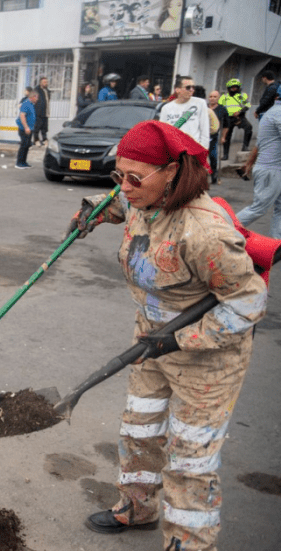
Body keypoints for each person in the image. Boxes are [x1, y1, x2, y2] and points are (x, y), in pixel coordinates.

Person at [68, 120, 269, 551]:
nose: (125, 187)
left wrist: (178, 341)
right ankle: (137, 507)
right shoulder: (142, 198)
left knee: (189, 458)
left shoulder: (205, 232)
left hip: (207, 358)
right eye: (118, 175)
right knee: (139, 429)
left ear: (172, 172)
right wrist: (92, 211)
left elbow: (249, 303)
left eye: (135, 178)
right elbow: (121, 204)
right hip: (151, 341)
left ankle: (187, 542)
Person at [235, 96, 281, 239]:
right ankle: (222, 229)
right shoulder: (278, 113)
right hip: (271, 169)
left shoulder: (271, 112)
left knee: (280, 209)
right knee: (259, 208)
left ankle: (276, 243)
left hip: (272, 168)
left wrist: (249, 163)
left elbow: (258, 145)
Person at [158, 76, 210, 149]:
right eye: (188, 87)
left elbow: (205, 130)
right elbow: (162, 132)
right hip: (174, 150)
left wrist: (203, 149)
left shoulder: (200, 103)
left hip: (194, 149)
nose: (191, 90)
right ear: (177, 89)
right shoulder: (166, 108)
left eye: (193, 87)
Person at [219, 78, 252, 160]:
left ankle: (245, 146)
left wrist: (240, 112)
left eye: (236, 87)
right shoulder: (224, 97)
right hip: (228, 118)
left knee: (249, 127)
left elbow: (247, 106)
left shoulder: (241, 96)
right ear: (229, 88)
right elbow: (220, 107)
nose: (234, 89)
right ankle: (225, 155)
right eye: (232, 87)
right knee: (227, 136)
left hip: (239, 117)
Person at [205, 89, 223, 184]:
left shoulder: (221, 109)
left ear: (218, 98)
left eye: (214, 97)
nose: (212, 98)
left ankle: (214, 175)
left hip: (213, 136)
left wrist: (223, 137)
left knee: (213, 156)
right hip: (202, 136)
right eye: (211, 96)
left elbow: (226, 125)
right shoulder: (204, 107)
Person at [15, 90, 37, 169]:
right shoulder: (26, 103)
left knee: (27, 145)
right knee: (23, 145)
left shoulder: (31, 104)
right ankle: (19, 163)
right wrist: (26, 127)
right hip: (24, 129)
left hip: (30, 128)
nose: (37, 99)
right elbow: (22, 116)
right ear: (32, 97)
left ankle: (24, 162)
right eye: (36, 97)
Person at [33, 76, 50, 146]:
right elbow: (32, 100)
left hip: (45, 112)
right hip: (38, 112)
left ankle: (44, 139)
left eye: (46, 82)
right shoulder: (36, 90)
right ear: (40, 83)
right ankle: (36, 140)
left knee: (44, 128)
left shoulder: (47, 91)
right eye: (44, 82)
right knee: (37, 127)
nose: (46, 83)